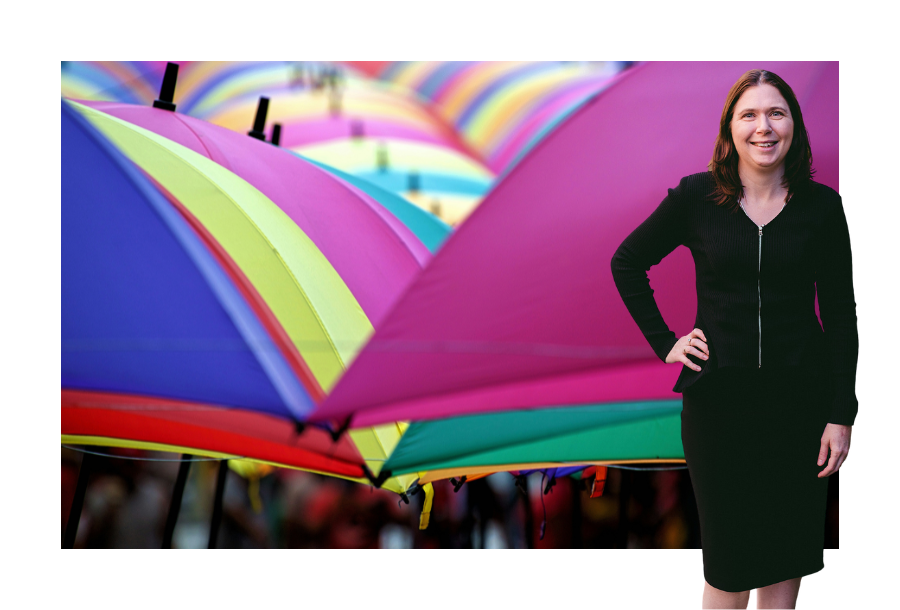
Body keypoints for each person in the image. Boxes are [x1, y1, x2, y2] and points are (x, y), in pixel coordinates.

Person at [610, 69, 857, 609]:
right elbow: (627, 261)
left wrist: (842, 413)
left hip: (800, 408)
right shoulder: (699, 197)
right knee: (729, 568)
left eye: (776, 113)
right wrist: (665, 341)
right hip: (719, 409)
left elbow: (841, 314)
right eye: (749, 115)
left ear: (793, 126)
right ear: (730, 129)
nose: (763, 127)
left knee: (786, 565)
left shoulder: (822, 208)